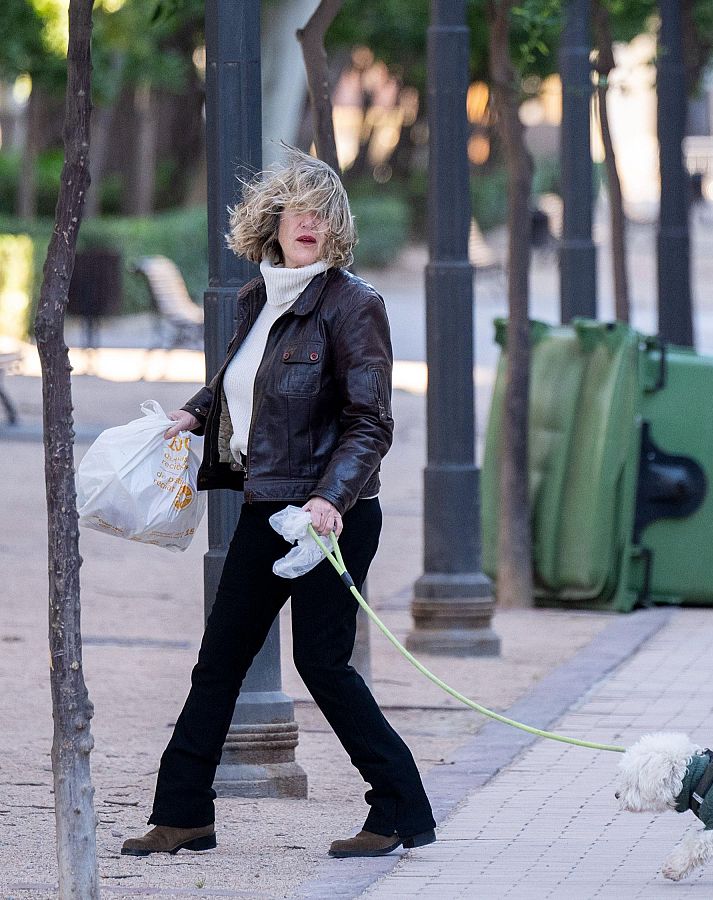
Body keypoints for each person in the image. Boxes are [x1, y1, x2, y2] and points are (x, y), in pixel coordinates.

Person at [120, 147, 436, 860]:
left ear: (336, 228)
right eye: (297, 207)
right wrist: (198, 411)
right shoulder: (257, 298)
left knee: (322, 665)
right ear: (273, 218)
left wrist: (330, 499)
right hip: (270, 508)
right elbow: (247, 380)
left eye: (323, 211)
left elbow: (370, 422)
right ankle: (183, 815)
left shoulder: (355, 305)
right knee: (220, 658)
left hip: (333, 518)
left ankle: (401, 807)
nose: (310, 221)